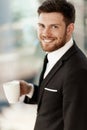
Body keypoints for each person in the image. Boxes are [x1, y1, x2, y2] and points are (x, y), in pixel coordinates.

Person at [19, 0, 87, 130]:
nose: (45, 33)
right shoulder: (54, 54)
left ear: (69, 29)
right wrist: (30, 90)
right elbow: (58, 98)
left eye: (54, 26)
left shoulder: (77, 71)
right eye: (42, 25)